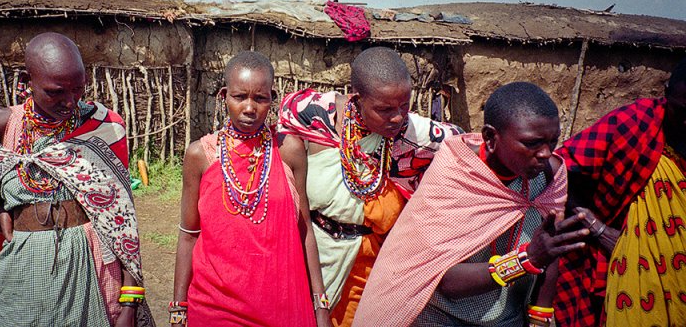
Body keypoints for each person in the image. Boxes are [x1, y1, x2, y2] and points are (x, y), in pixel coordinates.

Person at [0, 32, 153, 327]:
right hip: (23, 262)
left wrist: (129, 301)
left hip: (89, 266)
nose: (69, 102)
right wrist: (0, 209)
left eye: (78, 89)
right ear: (27, 80)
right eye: (55, 91)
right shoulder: (1, 126)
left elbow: (122, 222)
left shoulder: (103, 128)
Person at [354, 82, 590, 327]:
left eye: (552, 142)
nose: (544, 153)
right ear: (490, 138)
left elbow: (550, 249)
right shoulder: (457, 173)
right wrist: (526, 259)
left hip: (507, 318)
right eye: (532, 143)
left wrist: (540, 317)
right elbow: (445, 281)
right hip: (437, 316)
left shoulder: (550, 175)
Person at [277, 47, 463, 327]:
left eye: (404, 105)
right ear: (358, 98)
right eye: (385, 109)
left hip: (369, 263)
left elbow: (467, 147)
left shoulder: (415, 134)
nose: (398, 117)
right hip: (311, 248)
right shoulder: (313, 117)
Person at [172, 51, 328, 326]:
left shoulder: (288, 150)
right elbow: (188, 235)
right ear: (224, 96)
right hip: (215, 304)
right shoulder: (201, 155)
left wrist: (320, 303)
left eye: (260, 98)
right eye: (239, 96)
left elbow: (304, 229)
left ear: (272, 98)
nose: (249, 107)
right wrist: (178, 308)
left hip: (283, 303)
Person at [554, 58, 686, 327]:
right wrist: (599, 230)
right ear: (666, 91)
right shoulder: (635, 123)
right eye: (682, 111)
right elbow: (559, 169)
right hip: (619, 266)